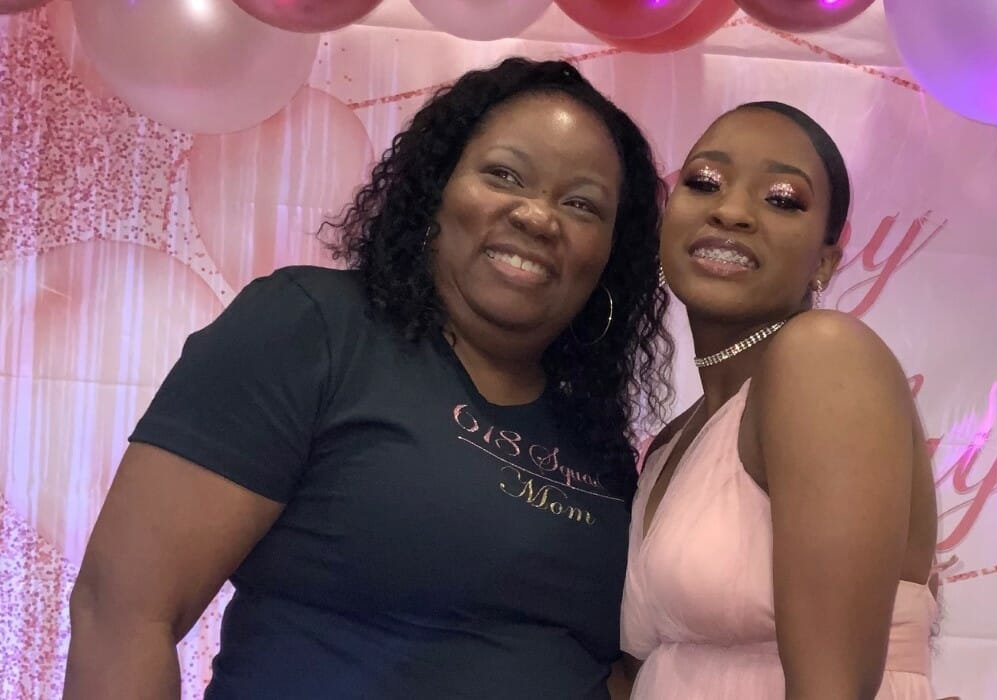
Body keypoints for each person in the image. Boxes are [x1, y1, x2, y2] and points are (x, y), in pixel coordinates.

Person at [64, 56, 673, 700]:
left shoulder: (596, 438)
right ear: (435, 189)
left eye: (582, 204)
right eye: (504, 175)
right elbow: (121, 612)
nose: (538, 217)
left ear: (610, 253)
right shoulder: (313, 328)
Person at [619, 102, 939, 699]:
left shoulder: (824, 355)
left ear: (824, 260)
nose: (731, 210)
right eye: (703, 182)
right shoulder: (671, 442)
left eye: (783, 198)